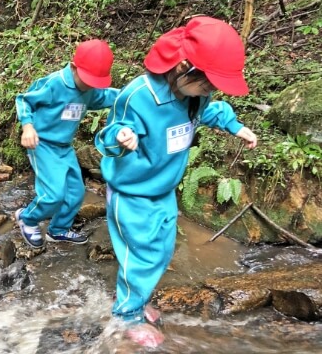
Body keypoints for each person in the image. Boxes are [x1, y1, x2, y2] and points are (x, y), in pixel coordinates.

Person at [94, 17, 258, 347]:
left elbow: (210, 111)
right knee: (141, 253)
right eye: (207, 83)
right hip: (132, 192)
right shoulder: (137, 96)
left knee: (162, 249)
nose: (209, 91)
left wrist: (234, 126)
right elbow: (105, 137)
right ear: (183, 66)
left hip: (162, 189)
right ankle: (126, 314)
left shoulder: (194, 96)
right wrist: (121, 135)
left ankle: (136, 300)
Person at [14, 40, 119, 249]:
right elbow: (24, 100)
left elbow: (105, 96)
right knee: (53, 195)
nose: (90, 85)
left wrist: (131, 96)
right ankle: (28, 217)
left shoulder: (90, 90)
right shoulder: (55, 83)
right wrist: (27, 127)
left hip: (64, 147)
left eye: (94, 82)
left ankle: (58, 230)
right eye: (87, 79)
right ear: (73, 67)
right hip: (41, 144)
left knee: (76, 192)